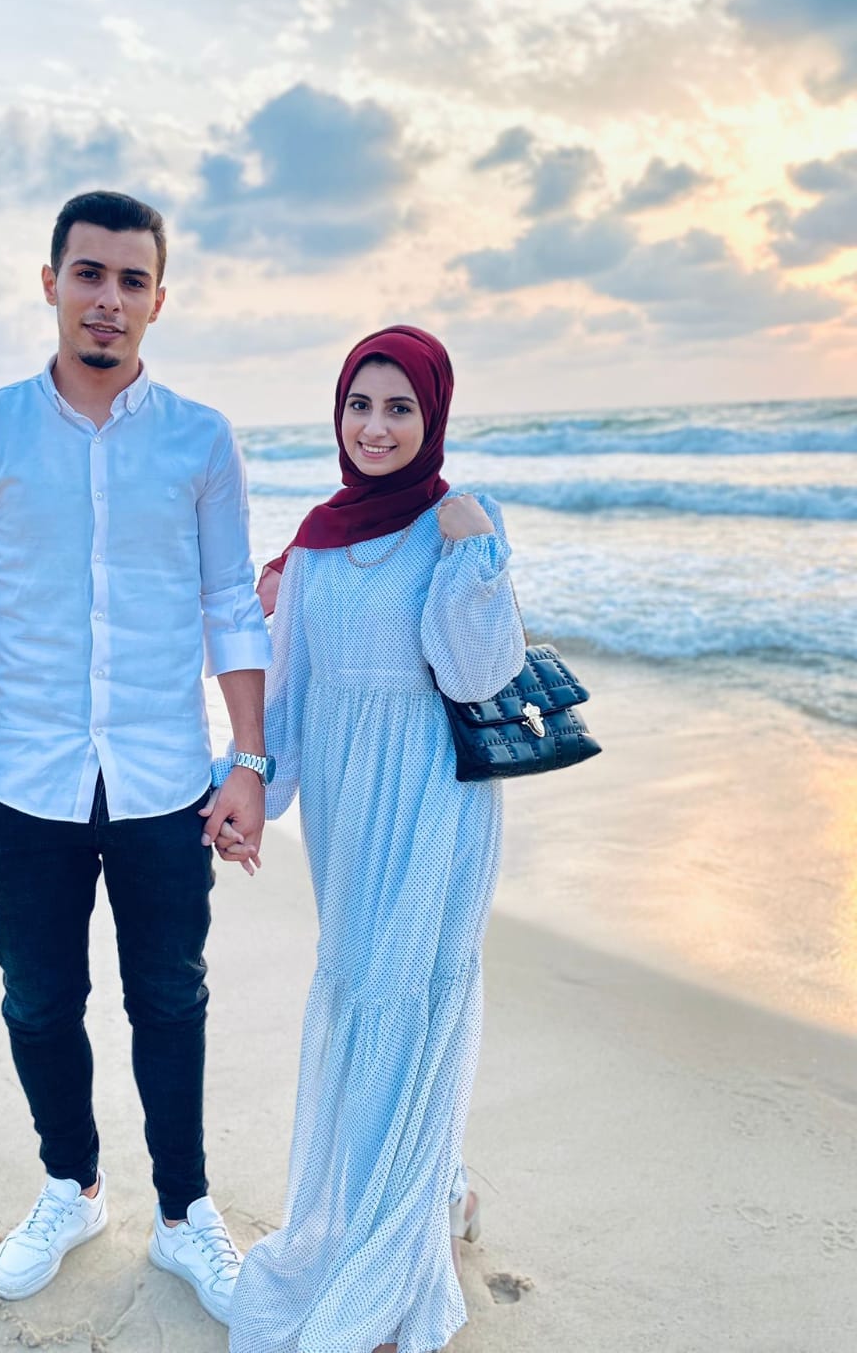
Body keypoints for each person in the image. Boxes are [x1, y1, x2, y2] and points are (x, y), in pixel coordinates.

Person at [0, 190, 274, 1326]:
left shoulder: (201, 437)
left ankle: (183, 1215)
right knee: (36, 999)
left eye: (131, 280)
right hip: (27, 777)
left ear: (159, 299)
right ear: (51, 282)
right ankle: (70, 1187)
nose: (108, 299)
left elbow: (229, 603)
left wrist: (249, 758)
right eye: (89, 274)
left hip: (170, 777)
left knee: (171, 998)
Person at [215, 325, 526, 1353]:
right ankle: (438, 1189)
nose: (378, 425)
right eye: (361, 404)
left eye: (401, 407)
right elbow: (293, 692)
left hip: (436, 799)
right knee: (362, 997)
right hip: (351, 812)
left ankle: (392, 1269)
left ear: (433, 416)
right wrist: (249, 787)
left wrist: (472, 553)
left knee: (408, 1002)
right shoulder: (314, 538)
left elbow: (477, 675)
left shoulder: (456, 520)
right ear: (338, 415)